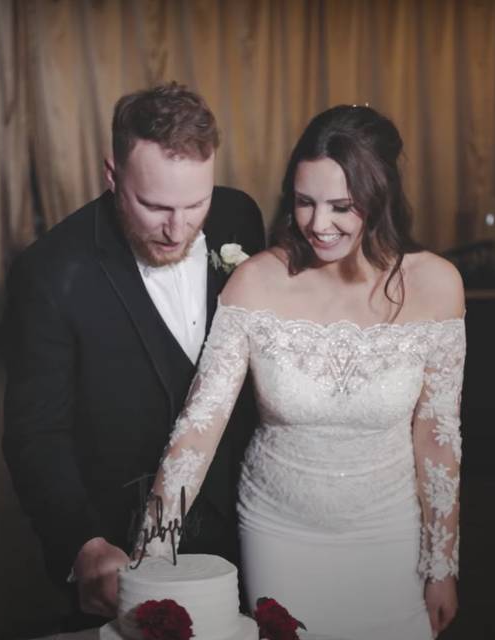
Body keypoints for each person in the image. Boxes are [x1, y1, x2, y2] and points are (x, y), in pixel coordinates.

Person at [137, 105, 465, 639]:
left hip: (391, 532)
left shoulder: (437, 286)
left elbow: (438, 440)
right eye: (305, 202)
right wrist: (153, 546)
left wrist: (441, 565)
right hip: (279, 530)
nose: (318, 223)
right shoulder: (255, 282)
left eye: (342, 206)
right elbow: (199, 429)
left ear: (380, 196)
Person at [2, 83, 265, 630]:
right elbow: (35, 433)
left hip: (253, 526)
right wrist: (82, 541)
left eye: (196, 203)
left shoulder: (240, 217)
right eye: (155, 206)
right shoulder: (51, 271)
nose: (178, 228)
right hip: (128, 545)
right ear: (112, 175)